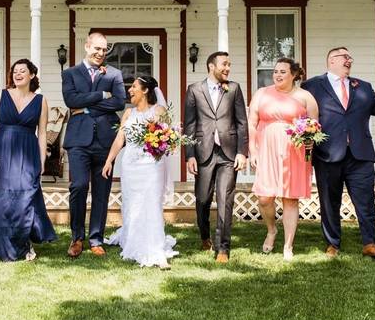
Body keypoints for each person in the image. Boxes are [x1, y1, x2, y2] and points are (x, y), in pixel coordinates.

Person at [302, 47, 375, 259]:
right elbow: (302, 112)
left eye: (350, 57)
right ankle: (332, 244)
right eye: (345, 57)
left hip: (360, 154)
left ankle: (370, 243)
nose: (349, 60)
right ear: (332, 60)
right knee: (329, 201)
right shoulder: (312, 86)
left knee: (366, 201)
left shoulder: (362, 86)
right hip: (328, 154)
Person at [0, 59, 56, 261]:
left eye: (23, 71)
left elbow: (42, 134)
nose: (18, 74)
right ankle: (5, 245)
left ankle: (24, 243)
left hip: (28, 152)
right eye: (15, 71)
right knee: (4, 200)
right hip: (3, 150)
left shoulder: (40, 101)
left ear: (32, 75)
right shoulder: (1, 95)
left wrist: (42, 162)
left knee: (25, 198)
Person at [102, 76, 178, 269]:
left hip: (152, 165)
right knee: (132, 203)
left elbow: (170, 139)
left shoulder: (159, 111)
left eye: (134, 87)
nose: (130, 90)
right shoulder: (128, 113)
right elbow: (120, 139)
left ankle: (155, 249)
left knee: (151, 203)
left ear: (145, 90)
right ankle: (133, 242)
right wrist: (109, 161)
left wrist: (161, 140)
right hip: (130, 165)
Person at [61, 32, 126, 258]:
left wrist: (87, 107)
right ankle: (77, 237)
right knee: (78, 186)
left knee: (101, 192)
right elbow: (71, 100)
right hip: (78, 140)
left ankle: (96, 239)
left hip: (106, 140)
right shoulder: (70, 73)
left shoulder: (114, 74)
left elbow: (119, 101)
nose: (100, 53)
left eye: (104, 49)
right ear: (87, 46)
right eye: (97, 48)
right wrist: (101, 94)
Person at [247, 58, 318, 261]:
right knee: (264, 197)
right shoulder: (261, 93)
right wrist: (253, 150)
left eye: (282, 72)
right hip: (266, 149)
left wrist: (309, 140)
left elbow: (314, 125)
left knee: (290, 198)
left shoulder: (305, 97)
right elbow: (252, 123)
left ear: (294, 74)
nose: (277, 75)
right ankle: (271, 230)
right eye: (275, 71)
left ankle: (288, 245)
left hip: (294, 151)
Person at [183, 51, 249, 263]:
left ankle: (223, 248)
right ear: (211, 66)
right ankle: (204, 235)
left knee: (225, 199)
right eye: (224, 64)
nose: (228, 68)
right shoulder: (194, 90)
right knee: (202, 199)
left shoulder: (235, 89)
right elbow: (190, 124)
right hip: (203, 152)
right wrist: (189, 155)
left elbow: (241, 123)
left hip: (228, 153)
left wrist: (242, 152)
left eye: (229, 64)